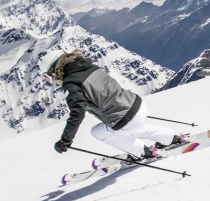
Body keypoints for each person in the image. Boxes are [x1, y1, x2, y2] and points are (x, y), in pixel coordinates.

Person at [45, 50, 186, 160]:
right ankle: (168, 137)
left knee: (98, 132)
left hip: (124, 117)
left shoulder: (72, 83)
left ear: (55, 70)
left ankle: (142, 153)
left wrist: (65, 141)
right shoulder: (88, 67)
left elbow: (77, 113)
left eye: (48, 76)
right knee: (130, 127)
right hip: (137, 105)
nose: (50, 80)